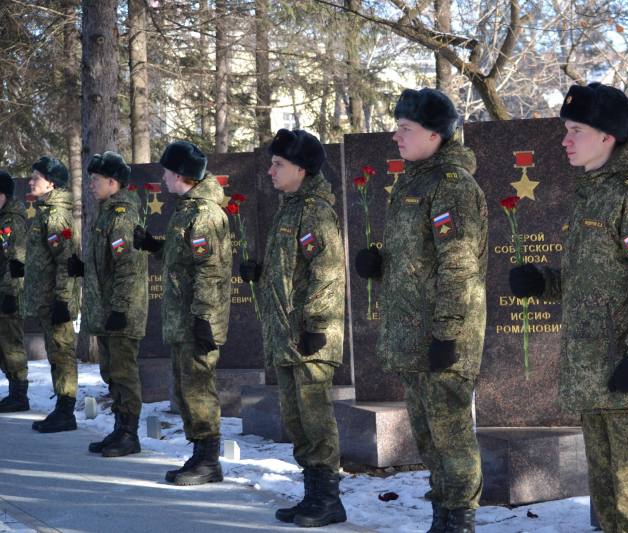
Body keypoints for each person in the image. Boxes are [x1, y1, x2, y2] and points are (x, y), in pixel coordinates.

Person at [508, 82, 628, 533]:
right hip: (597, 376)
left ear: (607, 136)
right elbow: (597, 282)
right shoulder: (593, 193)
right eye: (566, 130)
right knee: (608, 507)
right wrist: (544, 282)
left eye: (576, 131)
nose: (565, 140)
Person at [354, 88, 488, 533]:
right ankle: (443, 515)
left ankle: (460, 518)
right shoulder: (414, 182)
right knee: (429, 435)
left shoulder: (452, 186)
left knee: (451, 434)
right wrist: (381, 264)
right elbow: (422, 258)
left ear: (435, 134)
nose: (396, 136)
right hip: (414, 333)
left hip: (442, 334)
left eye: (405, 128)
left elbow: (459, 265)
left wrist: (447, 333)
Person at [240, 129, 347, 528]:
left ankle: (328, 500)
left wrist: (317, 324)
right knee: (298, 419)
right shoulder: (290, 208)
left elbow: (327, 272)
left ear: (301, 169)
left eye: (278, 164)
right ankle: (313, 494)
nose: (270, 171)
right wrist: (261, 272)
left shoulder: (315, 211)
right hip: (288, 335)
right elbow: (295, 270)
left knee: (315, 420)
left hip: (309, 336)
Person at [134, 141, 232, 485]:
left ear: (180, 175)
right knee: (186, 389)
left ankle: (209, 460)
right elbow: (184, 259)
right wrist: (154, 247)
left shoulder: (204, 214)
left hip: (196, 320)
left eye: (166, 172)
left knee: (198, 389)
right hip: (183, 319)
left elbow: (209, 269)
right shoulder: (188, 209)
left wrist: (203, 317)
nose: (163, 178)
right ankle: (200, 454)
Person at [67, 152, 148, 457]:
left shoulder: (121, 215)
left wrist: (120, 309)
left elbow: (127, 266)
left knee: (124, 373)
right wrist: (84, 269)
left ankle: (129, 434)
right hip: (106, 309)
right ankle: (119, 429)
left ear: (113, 182)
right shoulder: (106, 212)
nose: (91, 184)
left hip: (120, 311)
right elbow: (107, 264)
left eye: (96, 179)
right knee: (111, 372)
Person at [26, 156, 80, 433]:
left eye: (36, 177)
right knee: (55, 354)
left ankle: (66, 411)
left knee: (62, 353)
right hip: (47, 299)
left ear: (51, 183)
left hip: (56, 300)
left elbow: (65, 261)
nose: (30, 182)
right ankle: (61, 407)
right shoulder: (45, 212)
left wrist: (62, 300)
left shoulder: (56, 215)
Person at [0, 170, 29, 412]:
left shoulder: (11, 222)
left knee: (11, 345)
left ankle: (19, 395)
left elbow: (16, 260)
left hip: (8, 293)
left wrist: (10, 293)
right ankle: (14, 391)